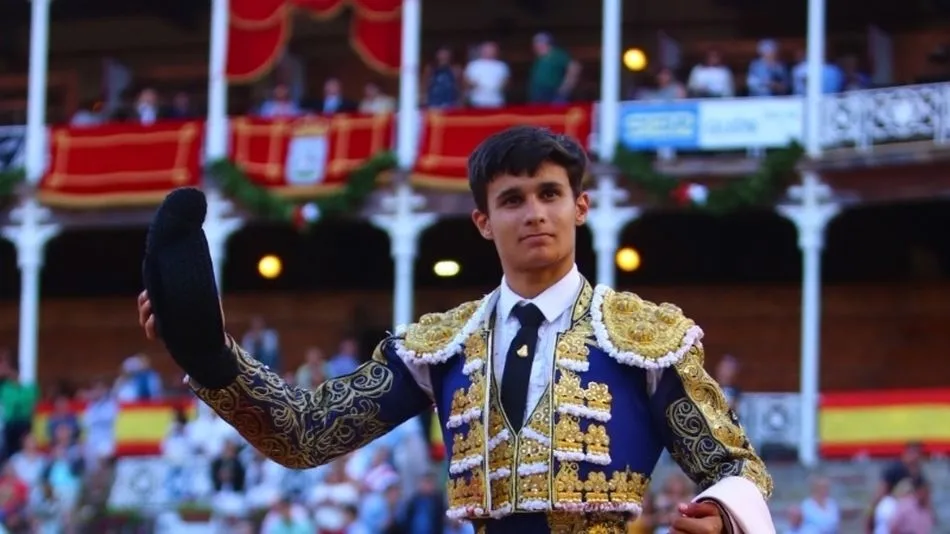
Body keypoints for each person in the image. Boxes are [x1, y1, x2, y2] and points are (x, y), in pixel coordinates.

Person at [137, 126, 775, 533]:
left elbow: (735, 465)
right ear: (482, 221)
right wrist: (207, 353)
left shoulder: (641, 338)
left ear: (580, 208)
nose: (535, 214)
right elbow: (307, 433)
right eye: (513, 199)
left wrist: (722, 514)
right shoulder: (438, 345)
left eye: (550, 194)